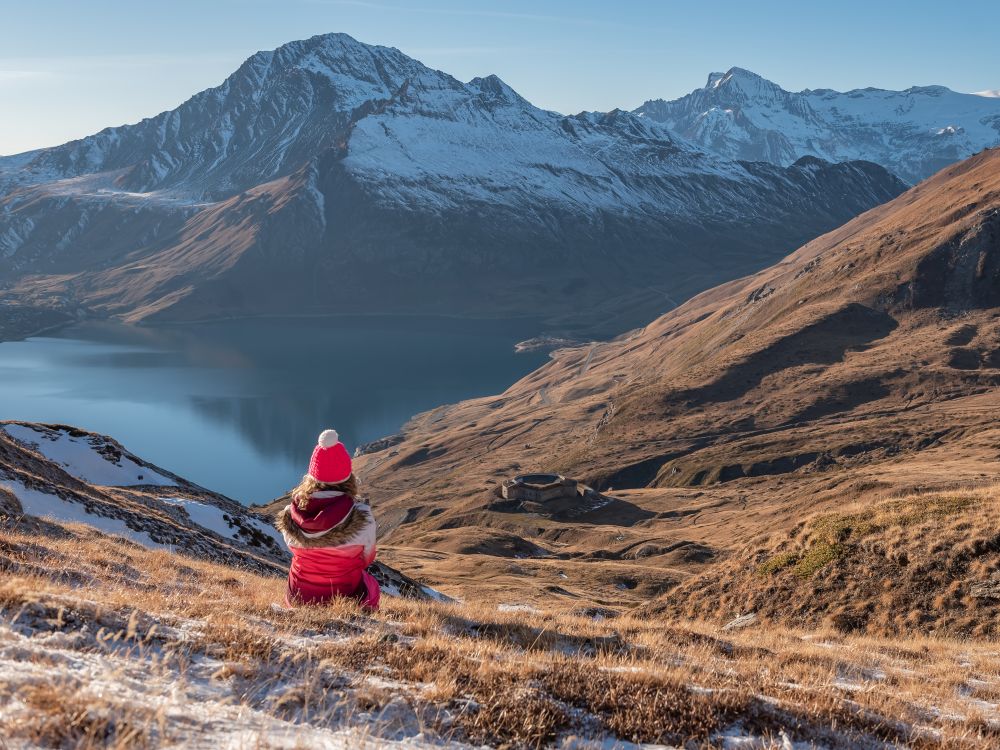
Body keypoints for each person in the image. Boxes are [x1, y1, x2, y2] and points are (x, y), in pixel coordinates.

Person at [276, 429, 380, 610]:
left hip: (298, 598)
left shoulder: (290, 514)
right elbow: (367, 558)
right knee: (372, 586)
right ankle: (364, 619)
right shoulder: (361, 515)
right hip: (345, 596)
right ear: (348, 476)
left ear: (311, 476)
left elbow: (294, 549)